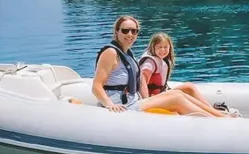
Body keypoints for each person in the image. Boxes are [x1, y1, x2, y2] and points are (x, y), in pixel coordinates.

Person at [92, 16, 231, 117]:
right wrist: (110, 105)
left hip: (133, 102)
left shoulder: (127, 53)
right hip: (124, 107)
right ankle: (217, 122)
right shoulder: (110, 52)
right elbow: (96, 86)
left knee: (177, 93)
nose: (130, 34)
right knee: (176, 99)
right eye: (125, 31)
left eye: (134, 31)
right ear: (116, 32)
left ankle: (220, 116)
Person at [138, 32, 239, 118]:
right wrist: (147, 100)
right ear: (153, 47)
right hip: (152, 99)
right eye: (159, 47)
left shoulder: (160, 60)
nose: (163, 50)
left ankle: (214, 111)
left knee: (188, 87)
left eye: (165, 47)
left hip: (159, 94)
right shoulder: (149, 63)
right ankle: (218, 117)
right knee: (180, 96)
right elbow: (142, 82)